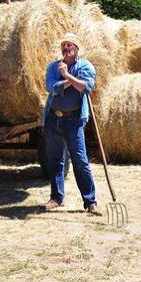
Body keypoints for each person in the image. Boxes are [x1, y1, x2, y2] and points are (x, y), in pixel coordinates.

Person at [42, 32, 101, 214]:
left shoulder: (85, 66)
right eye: (64, 46)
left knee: (80, 161)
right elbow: (51, 88)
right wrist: (69, 81)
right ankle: (56, 198)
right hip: (54, 119)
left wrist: (66, 75)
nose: (66, 49)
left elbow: (86, 87)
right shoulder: (53, 67)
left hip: (74, 120)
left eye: (70, 46)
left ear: (76, 49)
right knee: (55, 160)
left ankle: (90, 202)